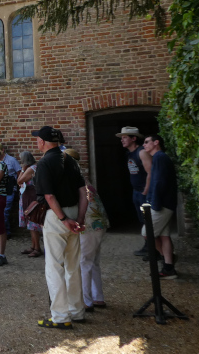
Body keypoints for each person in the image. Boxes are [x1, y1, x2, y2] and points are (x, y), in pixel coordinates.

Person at [32, 126, 88, 329]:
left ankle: (60, 316)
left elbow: (48, 196)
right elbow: (83, 192)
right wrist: (79, 217)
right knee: (73, 266)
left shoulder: (45, 163)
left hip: (57, 216)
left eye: (38, 139)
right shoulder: (71, 160)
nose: (36, 142)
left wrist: (63, 218)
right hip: (74, 212)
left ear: (43, 142)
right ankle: (77, 311)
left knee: (54, 267)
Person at [63, 149, 109, 310]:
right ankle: (98, 297)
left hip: (89, 224)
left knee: (84, 262)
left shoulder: (73, 176)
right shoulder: (81, 175)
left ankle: (86, 301)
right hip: (99, 224)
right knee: (93, 261)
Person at [142, 134, 178, 279]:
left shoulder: (159, 157)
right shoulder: (160, 158)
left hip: (161, 205)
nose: (144, 145)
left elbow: (159, 182)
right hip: (165, 203)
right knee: (164, 236)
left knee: (147, 233)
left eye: (146, 142)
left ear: (156, 143)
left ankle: (167, 261)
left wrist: (153, 204)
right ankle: (169, 267)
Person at [116, 126, 152, 256]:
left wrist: (146, 190)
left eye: (125, 137)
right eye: (122, 138)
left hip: (143, 192)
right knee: (142, 221)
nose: (122, 140)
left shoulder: (141, 152)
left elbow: (150, 172)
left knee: (148, 221)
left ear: (134, 138)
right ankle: (148, 246)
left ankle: (153, 249)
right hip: (136, 191)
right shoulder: (129, 154)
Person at [17, 151, 42, 258]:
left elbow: (19, 180)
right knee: (30, 223)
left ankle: (37, 248)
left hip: (31, 197)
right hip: (27, 196)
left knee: (33, 223)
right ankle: (33, 246)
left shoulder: (31, 168)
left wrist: (23, 169)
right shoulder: (32, 167)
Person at [1, 144, 22, 237]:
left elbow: (19, 173)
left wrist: (20, 186)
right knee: (0, 211)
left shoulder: (11, 160)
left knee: (6, 210)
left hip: (9, 188)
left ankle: (5, 232)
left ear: (2, 150)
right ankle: (3, 231)